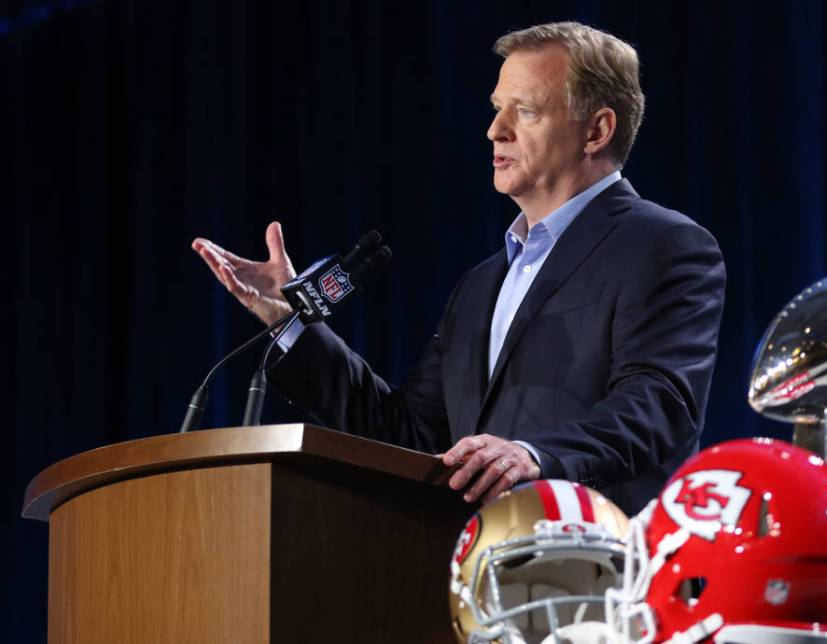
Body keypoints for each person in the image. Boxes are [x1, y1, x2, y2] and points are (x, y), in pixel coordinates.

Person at [192, 22, 725, 515]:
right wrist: (293, 322)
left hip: (604, 577)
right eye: (497, 108)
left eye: (526, 110)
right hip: (474, 581)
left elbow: (658, 405)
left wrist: (534, 455)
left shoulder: (662, 246)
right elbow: (409, 435)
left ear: (596, 131)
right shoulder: (479, 286)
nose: (495, 130)